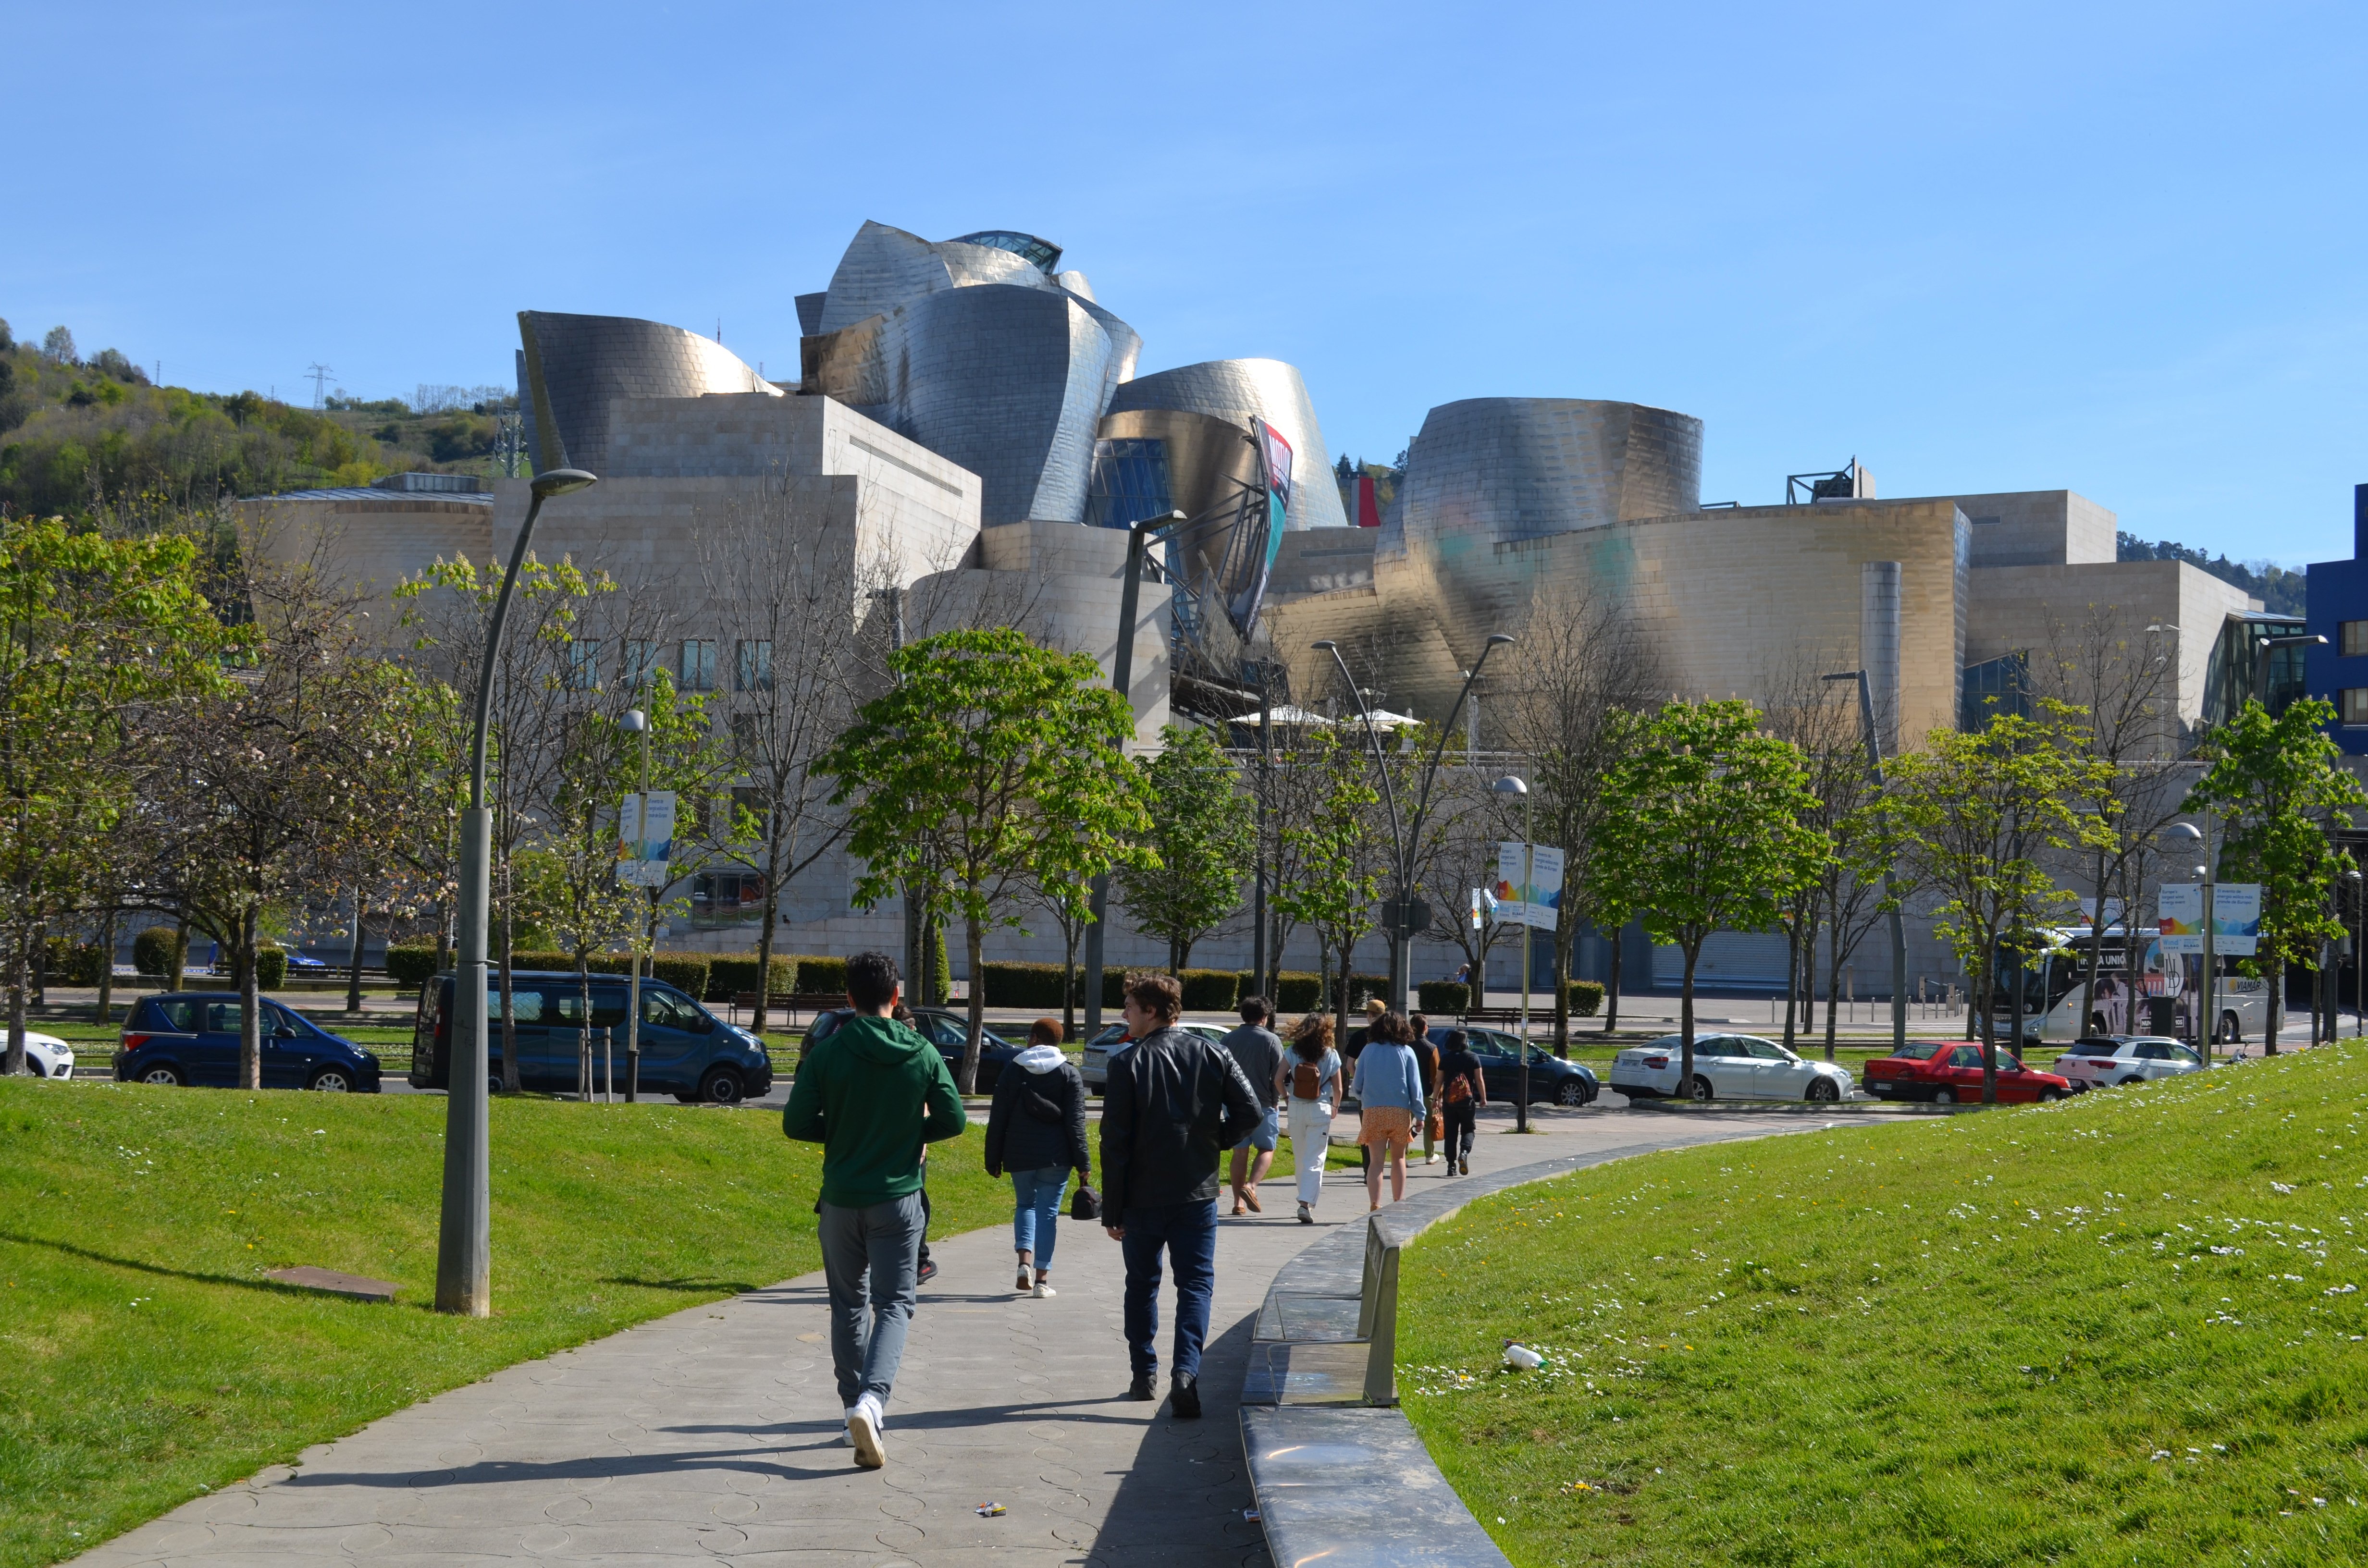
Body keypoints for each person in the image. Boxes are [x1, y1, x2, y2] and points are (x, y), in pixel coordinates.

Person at [783, 952, 965, 1470]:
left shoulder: (828, 1053)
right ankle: (873, 1401)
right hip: (898, 1198)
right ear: (896, 997)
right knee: (894, 1304)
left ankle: (849, 1410)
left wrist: (841, 1137)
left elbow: (795, 1123)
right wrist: (909, 1137)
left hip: (840, 1199)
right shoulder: (922, 1053)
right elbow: (951, 1120)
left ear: (848, 999)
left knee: (848, 1304)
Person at [1100, 973, 1261, 1419]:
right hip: (1197, 1193)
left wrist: (1112, 1210)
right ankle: (1186, 1373)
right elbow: (1252, 1110)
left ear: (1151, 1011)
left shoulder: (1126, 1064)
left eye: (1130, 1006)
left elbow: (1113, 1143)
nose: (1124, 1014)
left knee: (1142, 1283)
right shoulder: (1213, 1052)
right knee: (1195, 1284)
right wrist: (1215, 1141)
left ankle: (1142, 1373)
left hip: (1140, 1196)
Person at [985, 1017, 1089, 1298]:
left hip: (1019, 1154)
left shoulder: (1013, 1071)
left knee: (1025, 1206)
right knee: (1048, 1215)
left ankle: (1024, 1264)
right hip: (1057, 1157)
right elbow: (1076, 1124)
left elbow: (998, 1118)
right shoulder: (1069, 1074)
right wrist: (1084, 1163)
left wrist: (992, 1158)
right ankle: (1042, 1281)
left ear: (1033, 1038)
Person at [1351, 1010, 1426, 1210]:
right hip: (1400, 1111)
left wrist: (1365, 1098)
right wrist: (1420, 1115)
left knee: (1376, 1162)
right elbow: (1415, 1087)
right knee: (1399, 1158)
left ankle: (1375, 1203)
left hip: (1373, 1111)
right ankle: (1398, 1203)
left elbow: (1356, 1086)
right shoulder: (1407, 1052)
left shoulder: (1368, 1050)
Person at [1222, 997, 1286, 1214]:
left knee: (1240, 1153)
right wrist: (1276, 1101)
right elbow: (1278, 1075)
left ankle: (1238, 1204)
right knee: (1267, 1148)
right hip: (1263, 1103)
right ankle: (1251, 1186)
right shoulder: (1271, 1040)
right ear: (1265, 1017)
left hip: (1233, 1104)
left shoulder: (1228, 1039)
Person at [1277, 1013, 1343, 1224]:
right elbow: (1339, 1088)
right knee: (1316, 1158)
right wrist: (1335, 1105)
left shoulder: (1293, 1051)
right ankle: (1305, 1204)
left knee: (1300, 1156)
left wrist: (1287, 1097)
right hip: (1320, 1108)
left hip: (1296, 1108)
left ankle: (1303, 1199)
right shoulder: (1330, 1054)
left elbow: (1278, 1079)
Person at [1435, 1028, 1487, 1176]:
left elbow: (1439, 1080)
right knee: (1469, 1130)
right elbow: (1479, 1079)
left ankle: (1451, 1167)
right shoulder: (1473, 1057)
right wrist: (1483, 1098)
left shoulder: (1445, 1058)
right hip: (1467, 1102)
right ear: (1465, 1042)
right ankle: (1464, 1152)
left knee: (1450, 1134)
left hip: (1449, 1102)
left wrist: (1435, 1098)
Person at [1407, 1011, 1441, 1165]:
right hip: (1426, 1092)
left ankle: (1401, 1154)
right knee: (1427, 1124)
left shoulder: (1405, 1045)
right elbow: (1436, 1076)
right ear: (1425, 1028)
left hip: (1406, 1092)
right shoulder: (1432, 1048)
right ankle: (1429, 1155)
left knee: (1405, 1124)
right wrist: (1437, 1096)